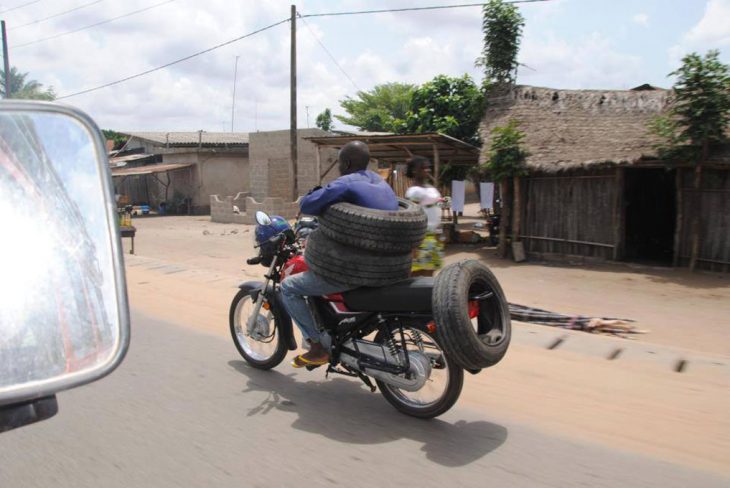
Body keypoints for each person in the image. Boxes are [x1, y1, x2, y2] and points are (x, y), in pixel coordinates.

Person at [281, 140, 398, 368]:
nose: (338, 168)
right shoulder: (382, 184)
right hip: (386, 266)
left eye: (339, 163)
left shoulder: (345, 183)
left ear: (346, 162)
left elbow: (308, 204)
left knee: (289, 287)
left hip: (353, 271)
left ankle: (317, 346)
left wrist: (316, 192)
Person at [405, 156, 445, 277]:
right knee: (417, 273)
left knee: (430, 272)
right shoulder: (414, 191)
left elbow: (437, 208)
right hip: (421, 238)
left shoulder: (430, 188)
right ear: (414, 171)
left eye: (428, 168)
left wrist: (440, 233)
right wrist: (413, 245)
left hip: (434, 235)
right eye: (423, 168)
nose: (427, 170)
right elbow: (411, 216)